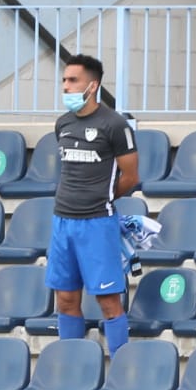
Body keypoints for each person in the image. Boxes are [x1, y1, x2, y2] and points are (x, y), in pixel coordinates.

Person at [49, 55, 139, 355]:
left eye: (73, 80)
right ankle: (71, 367)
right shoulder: (63, 124)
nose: (66, 86)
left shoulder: (114, 124)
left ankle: (121, 368)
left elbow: (131, 176)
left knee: (108, 302)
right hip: (63, 222)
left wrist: (104, 197)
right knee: (65, 299)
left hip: (98, 223)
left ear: (92, 85)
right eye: (64, 80)